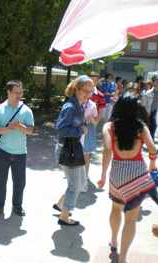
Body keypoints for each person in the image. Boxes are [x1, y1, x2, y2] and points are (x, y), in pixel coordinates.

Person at [97, 92, 158, 263]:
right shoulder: (141, 127)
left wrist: (102, 175)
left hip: (117, 174)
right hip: (139, 176)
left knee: (116, 208)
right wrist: (153, 163)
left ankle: (113, 241)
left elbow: (108, 151)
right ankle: (123, 257)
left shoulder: (109, 127)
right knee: (131, 219)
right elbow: (153, 149)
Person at [0, 80, 34, 217]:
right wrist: (10, 128)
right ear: (8, 92)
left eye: (20, 92)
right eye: (16, 92)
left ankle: (17, 206)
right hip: (2, 151)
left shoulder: (26, 110)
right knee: (0, 181)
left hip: (20, 152)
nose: (19, 95)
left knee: (19, 182)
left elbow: (30, 130)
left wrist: (19, 127)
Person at [53, 76, 93, 225]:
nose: (88, 94)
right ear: (76, 89)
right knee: (75, 185)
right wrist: (80, 130)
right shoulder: (70, 107)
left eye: (91, 91)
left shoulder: (79, 105)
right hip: (67, 150)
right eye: (85, 91)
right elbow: (61, 129)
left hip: (73, 149)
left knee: (81, 182)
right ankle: (64, 217)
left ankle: (59, 205)